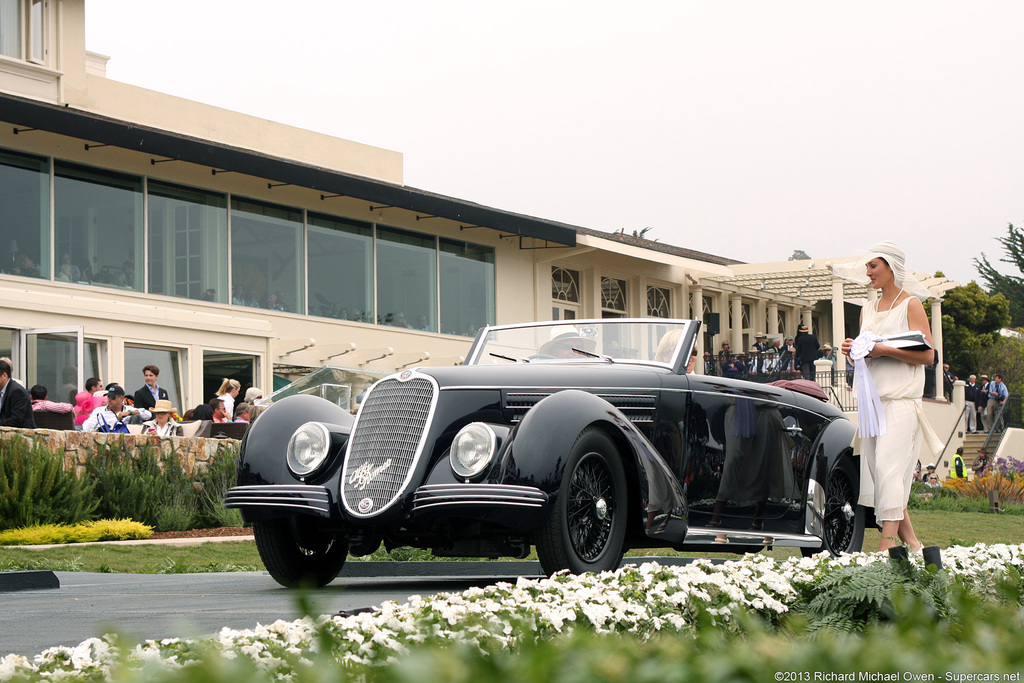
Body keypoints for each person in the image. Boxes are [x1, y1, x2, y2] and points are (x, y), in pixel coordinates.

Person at [837, 241, 942, 553]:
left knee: (887, 470)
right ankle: (912, 543)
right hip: (872, 403)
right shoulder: (866, 309)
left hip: (901, 403)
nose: (868, 272)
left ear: (891, 267)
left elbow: (929, 355)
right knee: (878, 472)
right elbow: (867, 357)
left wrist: (883, 349)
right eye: (867, 267)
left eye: (873, 266)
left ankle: (885, 545)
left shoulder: (910, 305)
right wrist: (853, 351)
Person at [83, 385, 151, 432]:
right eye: (108, 397)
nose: (109, 400)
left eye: (113, 398)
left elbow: (148, 414)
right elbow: (87, 427)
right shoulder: (99, 411)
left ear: (121, 398)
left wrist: (128, 413)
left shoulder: (128, 409)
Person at [0, 359, 36, 429]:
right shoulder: (3, 390)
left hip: (21, 436)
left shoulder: (17, 391)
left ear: (4, 375)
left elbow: (16, 420)